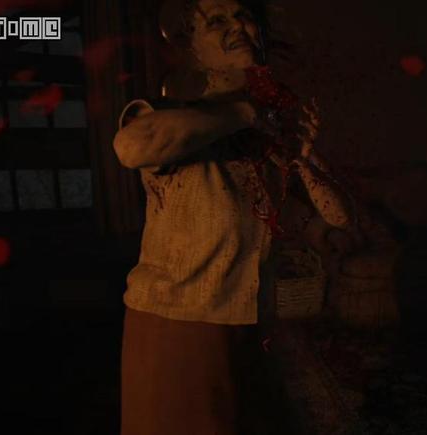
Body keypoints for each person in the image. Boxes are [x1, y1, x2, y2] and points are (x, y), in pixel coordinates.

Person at [114, 0, 356, 434]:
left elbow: (337, 217)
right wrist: (247, 110)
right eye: (217, 21)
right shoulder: (178, 116)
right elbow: (132, 147)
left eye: (243, 15)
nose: (238, 27)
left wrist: (303, 156)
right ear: (192, 47)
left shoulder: (267, 138)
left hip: (250, 322)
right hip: (181, 323)